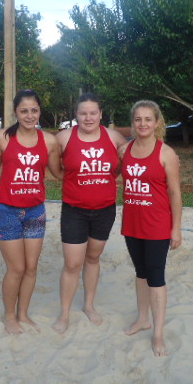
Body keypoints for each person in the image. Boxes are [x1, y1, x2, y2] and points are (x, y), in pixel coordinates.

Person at [52, 93, 127, 333]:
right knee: (72, 263)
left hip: (104, 209)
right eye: (83, 113)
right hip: (74, 210)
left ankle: (89, 305)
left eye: (93, 113)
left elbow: (123, 164)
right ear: (76, 115)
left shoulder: (114, 137)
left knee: (93, 258)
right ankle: (64, 314)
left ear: (100, 114)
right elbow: (54, 167)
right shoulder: (64, 138)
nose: (88, 118)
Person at [0, 89, 63, 335]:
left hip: (35, 211)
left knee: (31, 267)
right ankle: (10, 317)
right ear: (16, 112)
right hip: (7, 212)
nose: (29, 115)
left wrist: (98, 170)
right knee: (17, 268)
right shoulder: (3, 137)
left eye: (34, 110)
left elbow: (60, 173)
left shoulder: (49, 141)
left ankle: (23, 313)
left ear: (40, 111)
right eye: (24, 111)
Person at [119, 100, 182, 356]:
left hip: (157, 225)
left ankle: (158, 333)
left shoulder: (166, 153)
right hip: (132, 223)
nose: (142, 124)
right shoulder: (125, 150)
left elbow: (175, 193)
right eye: (138, 119)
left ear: (157, 122)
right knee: (140, 273)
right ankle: (142, 319)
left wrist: (176, 229)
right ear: (133, 122)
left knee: (156, 276)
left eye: (148, 119)